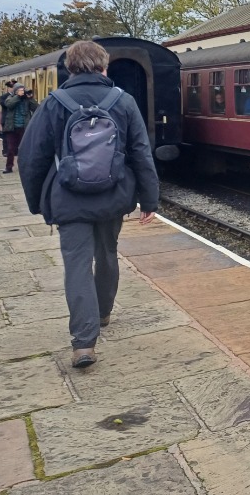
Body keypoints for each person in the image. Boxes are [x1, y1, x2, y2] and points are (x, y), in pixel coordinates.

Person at [18, 40, 159, 369]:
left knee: (77, 265)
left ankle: (84, 343)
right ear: (104, 67)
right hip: (114, 196)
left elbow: (31, 157)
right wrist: (149, 199)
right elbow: (141, 153)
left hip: (69, 199)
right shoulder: (122, 101)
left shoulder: (54, 103)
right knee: (107, 254)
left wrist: (39, 201)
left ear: (69, 68)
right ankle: (104, 312)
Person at [1, 83, 38, 174]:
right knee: (10, 149)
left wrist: (31, 98)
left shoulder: (27, 100)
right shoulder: (10, 98)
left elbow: (36, 108)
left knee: (25, 149)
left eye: (23, 90)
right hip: (12, 128)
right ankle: (9, 167)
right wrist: (18, 97)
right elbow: (9, 104)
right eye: (20, 90)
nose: (22, 92)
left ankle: (26, 167)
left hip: (24, 127)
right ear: (16, 91)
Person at [0, 80, 16, 157]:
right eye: (11, 87)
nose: (12, 89)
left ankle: (15, 151)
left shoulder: (18, 97)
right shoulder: (3, 97)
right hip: (6, 120)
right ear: (8, 88)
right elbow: (6, 105)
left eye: (13, 87)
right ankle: (5, 151)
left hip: (14, 120)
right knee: (6, 137)